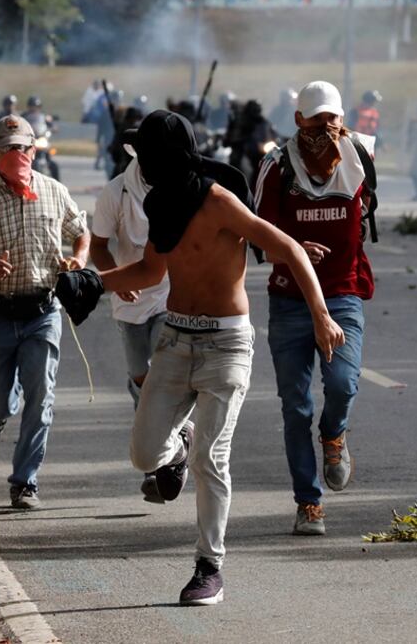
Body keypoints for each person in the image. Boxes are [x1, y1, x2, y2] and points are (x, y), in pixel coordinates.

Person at [97, 109, 345, 606]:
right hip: (175, 337)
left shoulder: (218, 201)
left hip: (227, 344)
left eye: (146, 156)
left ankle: (209, 567)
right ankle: (177, 447)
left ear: (163, 159)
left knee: (214, 458)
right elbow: (148, 272)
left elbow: (290, 249)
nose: (140, 164)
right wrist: (88, 283)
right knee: (144, 455)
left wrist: (321, 314)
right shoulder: (161, 204)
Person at [0, 114, 89, 510]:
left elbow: (81, 231)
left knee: (41, 396)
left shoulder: (54, 192)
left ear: (34, 149)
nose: (15, 154)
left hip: (42, 312)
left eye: (22, 147)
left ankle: (25, 482)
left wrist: (77, 259)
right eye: (7, 147)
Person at [253, 80, 374, 537]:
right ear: (299, 120)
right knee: (294, 407)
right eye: (317, 117)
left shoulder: (361, 156)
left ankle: (335, 434)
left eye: (334, 117)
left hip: (343, 294)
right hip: (289, 301)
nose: (327, 126)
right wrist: (293, 249)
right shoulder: (275, 165)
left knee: (342, 383)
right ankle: (308, 502)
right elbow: (255, 234)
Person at [89, 151, 172, 502]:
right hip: (129, 300)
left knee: (165, 376)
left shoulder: (178, 187)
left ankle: (163, 461)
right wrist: (115, 280)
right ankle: (154, 448)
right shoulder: (116, 191)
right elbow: (98, 246)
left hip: (170, 295)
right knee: (142, 378)